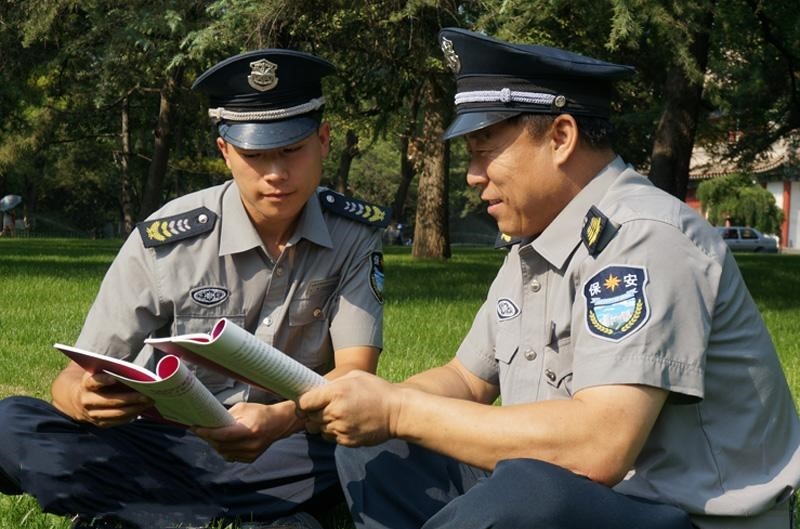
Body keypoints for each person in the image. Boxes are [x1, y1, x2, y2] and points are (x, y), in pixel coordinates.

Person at [297, 28, 800, 529]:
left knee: (521, 492)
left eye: (484, 149)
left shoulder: (645, 237)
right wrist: (373, 401)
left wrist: (398, 411)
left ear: (561, 137)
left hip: (679, 514)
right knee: (378, 448)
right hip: (575, 493)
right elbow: (467, 379)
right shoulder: (536, 241)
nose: (472, 174)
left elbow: (600, 445)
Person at [0, 48, 389, 529]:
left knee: (387, 444)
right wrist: (81, 399)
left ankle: (139, 513)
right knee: (12, 422)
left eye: (292, 149)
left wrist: (283, 418)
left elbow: (355, 374)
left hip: (285, 445)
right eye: (254, 155)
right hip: (164, 445)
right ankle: (254, 516)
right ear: (225, 151)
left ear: (323, 140)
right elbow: (73, 378)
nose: (275, 173)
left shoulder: (353, 235)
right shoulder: (168, 238)